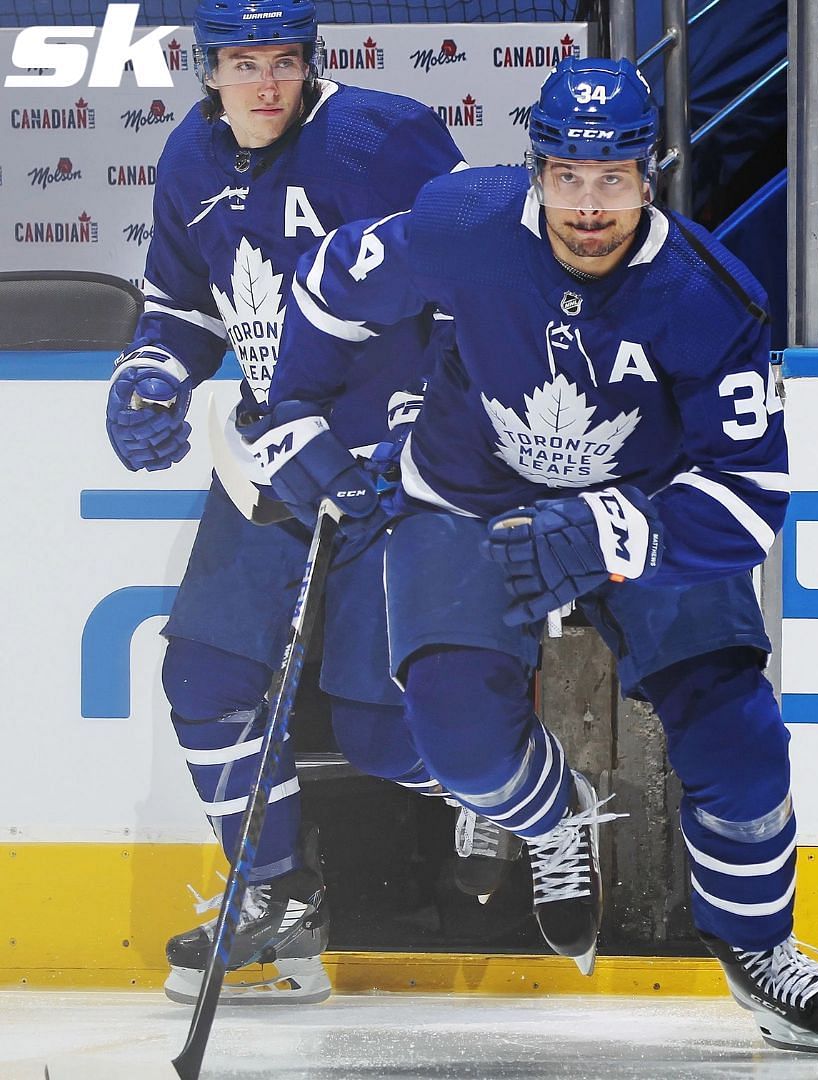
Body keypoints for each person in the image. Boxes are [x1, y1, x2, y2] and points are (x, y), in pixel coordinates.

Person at [265, 58, 818, 1055]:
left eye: (614, 178)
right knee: (461, 744)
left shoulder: (714, 298)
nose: (589, 205)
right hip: (468, 491)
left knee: (742, 740)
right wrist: (290, 407)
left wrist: (616, 531)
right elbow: (334, 282)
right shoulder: (463, 223)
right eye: (567, 176)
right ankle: (553, 816)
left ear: (648, 175)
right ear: (537, 167)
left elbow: (754, 493)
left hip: (643, 505)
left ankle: (761, 949)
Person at [104, 0, 478, 1007]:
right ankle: (277, 896)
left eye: (283, 62)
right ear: (207, 69)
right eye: (242, 63)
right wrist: (149, 372)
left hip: (391, 467)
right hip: (273, 453)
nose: (265, 85)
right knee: (205, 678)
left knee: (377, 728)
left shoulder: (384, 135)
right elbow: (183, 308)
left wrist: (425, 426)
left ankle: (522, 797)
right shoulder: (188, 159)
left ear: (311, 62)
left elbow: (475, 282)